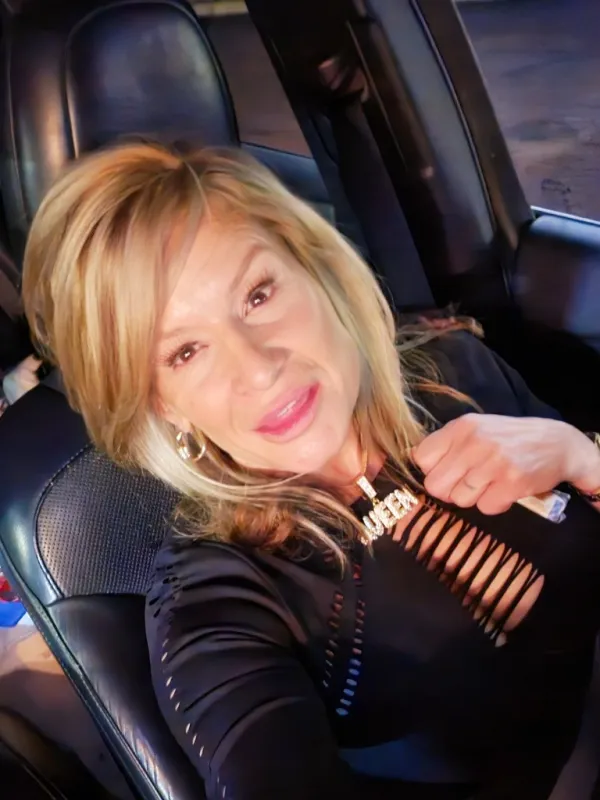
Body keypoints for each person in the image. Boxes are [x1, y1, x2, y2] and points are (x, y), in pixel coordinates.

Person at [21, 141, 600, 800]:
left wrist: (582, 457)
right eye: (185, 352)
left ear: (317, 270)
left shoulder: (455, 369)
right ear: (163, 406)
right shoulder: (215, 601)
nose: (258, 366)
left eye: (257, 295)